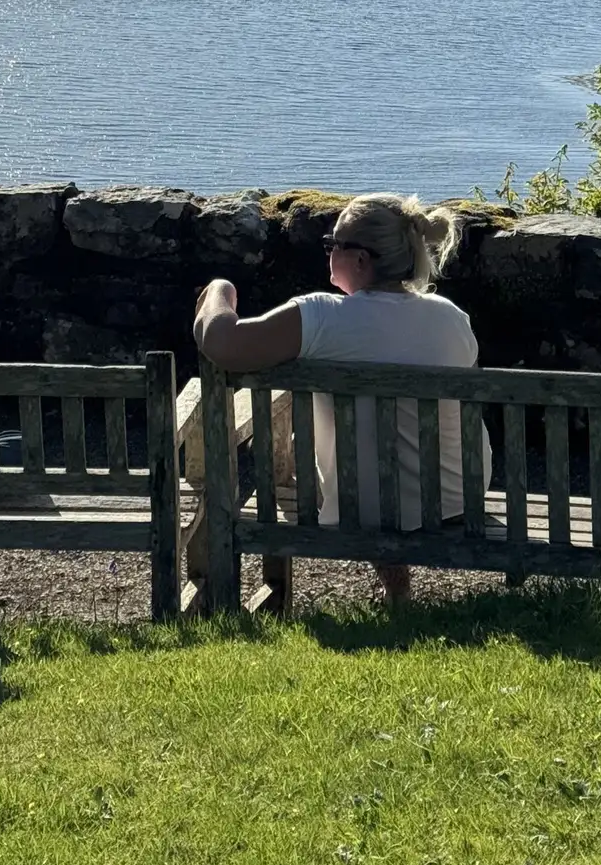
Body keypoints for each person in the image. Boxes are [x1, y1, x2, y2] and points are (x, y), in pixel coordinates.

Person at [193, 193, 491, 604]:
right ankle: (396, 586)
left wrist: (219, 290)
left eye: (334, 244)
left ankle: (393, 584)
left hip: (361, 507)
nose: (329, 251)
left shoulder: (322, 318)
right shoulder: (452, 319)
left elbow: (222, 343)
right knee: (389, 445)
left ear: (361, 261)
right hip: (457, 497)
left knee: (349, 459)